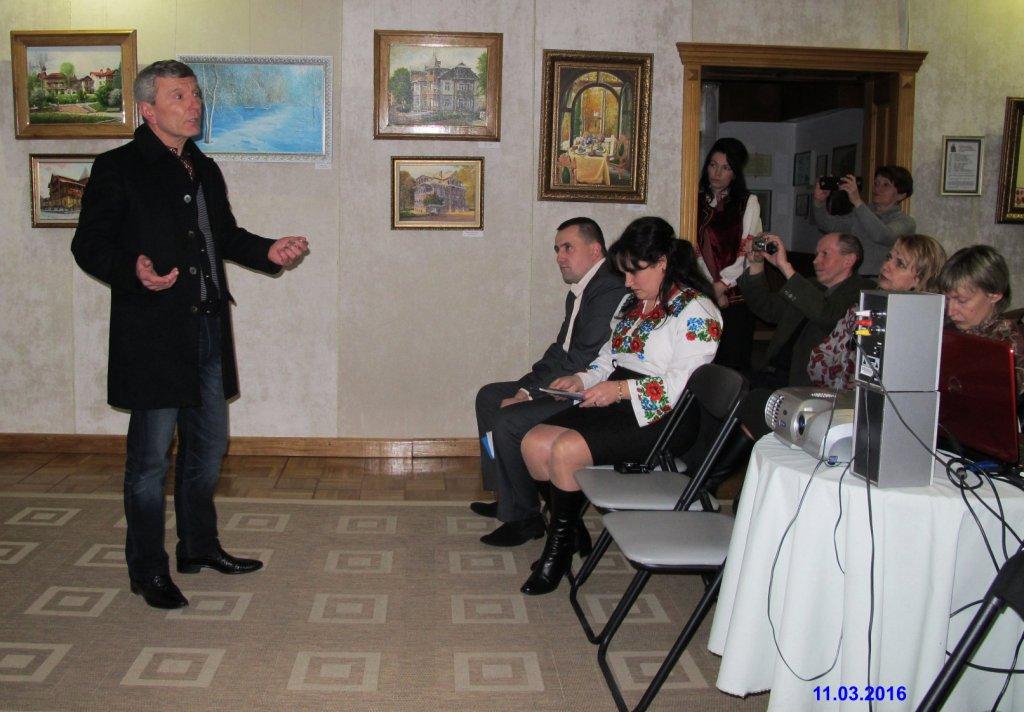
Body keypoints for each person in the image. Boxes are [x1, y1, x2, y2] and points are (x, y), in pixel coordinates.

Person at [70, 60, 310, 610]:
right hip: (152, 337)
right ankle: (147, 570)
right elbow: (89, 244)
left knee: (208, 448)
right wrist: (132, 268)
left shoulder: (203, 167)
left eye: (196, 93)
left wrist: (269, 251)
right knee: (150, 461)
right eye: (179, 95)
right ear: (148, 110)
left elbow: (223, 236)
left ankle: (198, 546)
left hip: (208, 328)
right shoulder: (118, 167)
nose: (194, 103)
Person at [517, 217, 722, 595]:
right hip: (621, 395)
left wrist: (620, 390)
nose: (627, 282)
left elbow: (681, 385)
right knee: (533, 442)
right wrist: (583, 380)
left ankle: (557, 552)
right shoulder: (634, 303)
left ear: (662, 262)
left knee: (565, 450)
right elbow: (610, 357)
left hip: (665, 415)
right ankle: (571, 530)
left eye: (634, 272)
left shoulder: (697, 311)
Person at [472, 218, 626, 548]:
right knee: (489, 397)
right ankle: (508, 497)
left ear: (595, 249)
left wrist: (528, 395)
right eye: (557, 249)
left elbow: (581, 359)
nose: (559, 257)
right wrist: (524, 388)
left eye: (568, 247)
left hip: (588, 391)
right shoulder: (580, 292)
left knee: (508, 419)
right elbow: (559, 352)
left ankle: (524, 518)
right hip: (566, 379)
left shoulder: (609, 289)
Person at [737, 232, 874, 391]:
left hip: (808, 385)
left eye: (825, 254)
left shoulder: (863, 292)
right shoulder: (812, 285)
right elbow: (768, 308)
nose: (815, 261)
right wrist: (756, 265)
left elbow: (827, 316)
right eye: (816, 254)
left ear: (848, 260)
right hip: (772, 373)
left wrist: (785, 266)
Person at [808, 234, 947, 390]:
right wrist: (849, 364)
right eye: (889, 258)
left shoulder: (927, 329)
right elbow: (816, 362)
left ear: (919, 280)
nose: (886, 266)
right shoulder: (861, 311)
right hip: (842, 398)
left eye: (900, 264)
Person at [696, 138, 762, 372]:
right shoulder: (694, 201)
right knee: (701, 364)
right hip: (702, 292)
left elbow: (748, 249)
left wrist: (722, 285)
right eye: (713, 165)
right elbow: (693, 250)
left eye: (725, 168)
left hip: (737, 295)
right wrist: (709, 288)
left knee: (733, 366)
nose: (717, 173)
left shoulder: (748, 202)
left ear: (735, 173)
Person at [938, 245, 1023, 395]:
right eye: (948, 299)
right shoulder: (947, 328)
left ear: (994, 295)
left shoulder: (1006, 344)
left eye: (962, 301)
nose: (950, 311)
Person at [812, 165, 916, 275]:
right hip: (853, 278)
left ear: (901, 195)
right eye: (876, 183)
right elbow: (829, 225)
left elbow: (883, 235)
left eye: (886, 185)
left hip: (881, 280)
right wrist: (819, 202)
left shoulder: (906, 222)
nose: (877, 188)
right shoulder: (861, 213)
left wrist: (857, 201)